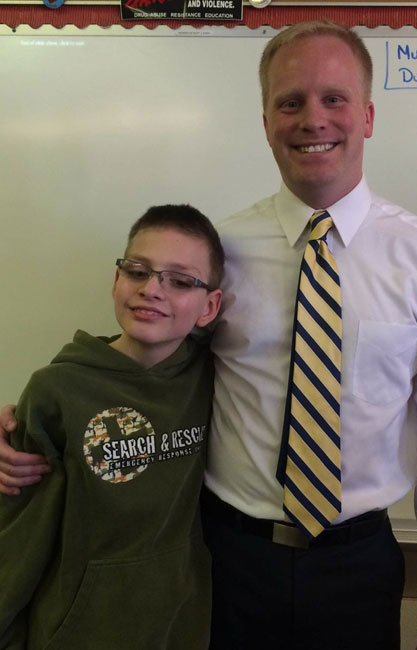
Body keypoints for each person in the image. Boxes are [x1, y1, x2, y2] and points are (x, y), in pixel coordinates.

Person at [0, 20, 417, 650]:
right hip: (226, 559)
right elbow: (143, 361)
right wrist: (35, 421)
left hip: (360, 563)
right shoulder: (217, 254)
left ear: (367, 116)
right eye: (290, 102)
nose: (312, 119)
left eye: (333, 99)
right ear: (265, 122)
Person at [0, 204, 223, 650]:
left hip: (183, 624)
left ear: (209, 306)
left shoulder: (217, 375)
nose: (152, 290)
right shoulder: (56, 390)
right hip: (79, 631)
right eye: (138, 271)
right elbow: (19, 537)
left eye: (180, 281)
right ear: (116, 280)